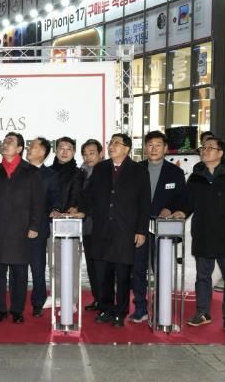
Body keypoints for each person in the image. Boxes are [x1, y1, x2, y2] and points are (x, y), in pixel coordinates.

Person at [74, 133, 150, 327]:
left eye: (117, 143)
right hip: (101, 230)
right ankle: (105, 309)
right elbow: (89, 195)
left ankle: (120, 311)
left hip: (125, 231)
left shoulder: (139, 171)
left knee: (123, 275)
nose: (111, 146)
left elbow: (144, 203)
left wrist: (141, 230)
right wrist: (80, 210)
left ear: (127, 148)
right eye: (111, 143)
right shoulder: (101, 168)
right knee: (102, 274)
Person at [185, 137, 225, 332]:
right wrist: (178, 212)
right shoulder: (196, 176)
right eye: (203, 148)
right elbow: (188, 203)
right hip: (203, 233)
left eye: (210, 148)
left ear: (220, 153)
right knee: (202, 277)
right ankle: (202, 313)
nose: (204, 151)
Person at [130, 131, 188, 323]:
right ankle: (140, 307)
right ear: (145, 148)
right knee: (137, 269)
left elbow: (182, 198)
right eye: (150, 145)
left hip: (162, 229)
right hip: (138, 228)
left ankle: (161, 307)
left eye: (158, 145)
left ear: (165, 148)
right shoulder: (136, 169)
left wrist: (170, 208)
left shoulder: (175, 172)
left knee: (161, 269)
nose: (153, 149)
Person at [0, 132, 44, 324]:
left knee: (20, 273)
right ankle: (0, 310)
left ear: (19, 149)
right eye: (4, 141)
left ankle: (17, 310)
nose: (5, 144)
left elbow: (38, 203)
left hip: (22, 229)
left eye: (10, 142)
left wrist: (34, 226)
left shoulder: (31, 172)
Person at [25, 137, 60, 317]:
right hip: (15, 227)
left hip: (38, 228)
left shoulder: (50, 175)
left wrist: (55, 209)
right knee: (16, 268)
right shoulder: (19, 171)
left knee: (38, 267)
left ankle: (38, 301)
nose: (28, 148)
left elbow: (55, 199)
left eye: (32, 146)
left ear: (42, 152)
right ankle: (16, 303)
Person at [78, 138, 104, 311]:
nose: (88, 157)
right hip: (87, 227)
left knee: (103, 267)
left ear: (100, 154)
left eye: (92, 153)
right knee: (92, 265)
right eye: (85, 154)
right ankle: (97, 299)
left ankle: (105, 301)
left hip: (103, 227)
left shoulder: (107, 172)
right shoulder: (81, 173)